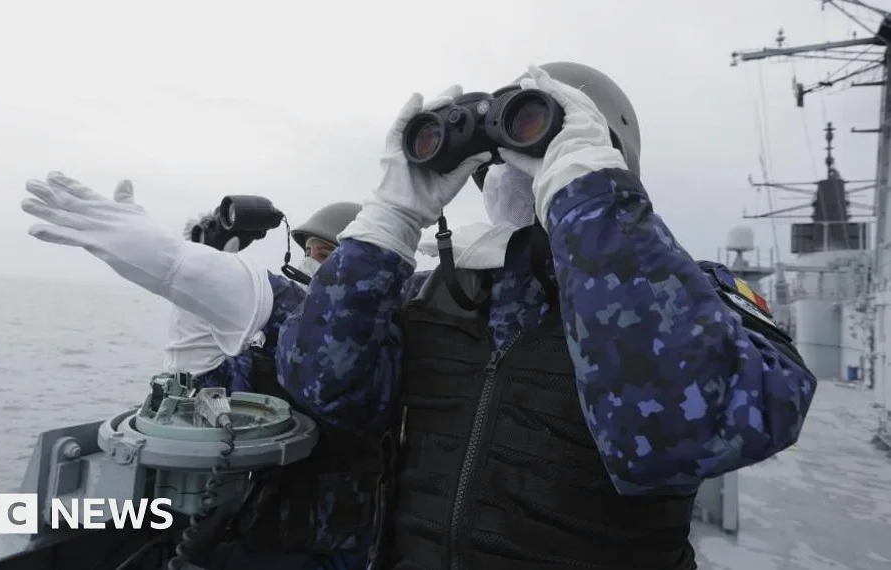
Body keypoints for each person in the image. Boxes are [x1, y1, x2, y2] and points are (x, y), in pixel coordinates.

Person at [270, 62, 819, 570]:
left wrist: (589, 197)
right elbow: (323, 387)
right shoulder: (434, 293)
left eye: (543, 148)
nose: (517, 177)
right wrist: (389, 219)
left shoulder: (697, 298)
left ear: (606, 161)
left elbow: (681, 435)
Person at [19, 183, 374, 570]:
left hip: (333, 546)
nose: (308, 264)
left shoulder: (365, 339)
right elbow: (211, 395)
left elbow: (305, 323)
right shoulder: (293, 337)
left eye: (321, 255)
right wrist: (194, 307)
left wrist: (187, 267)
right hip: (267, 523)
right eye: (306, 252)